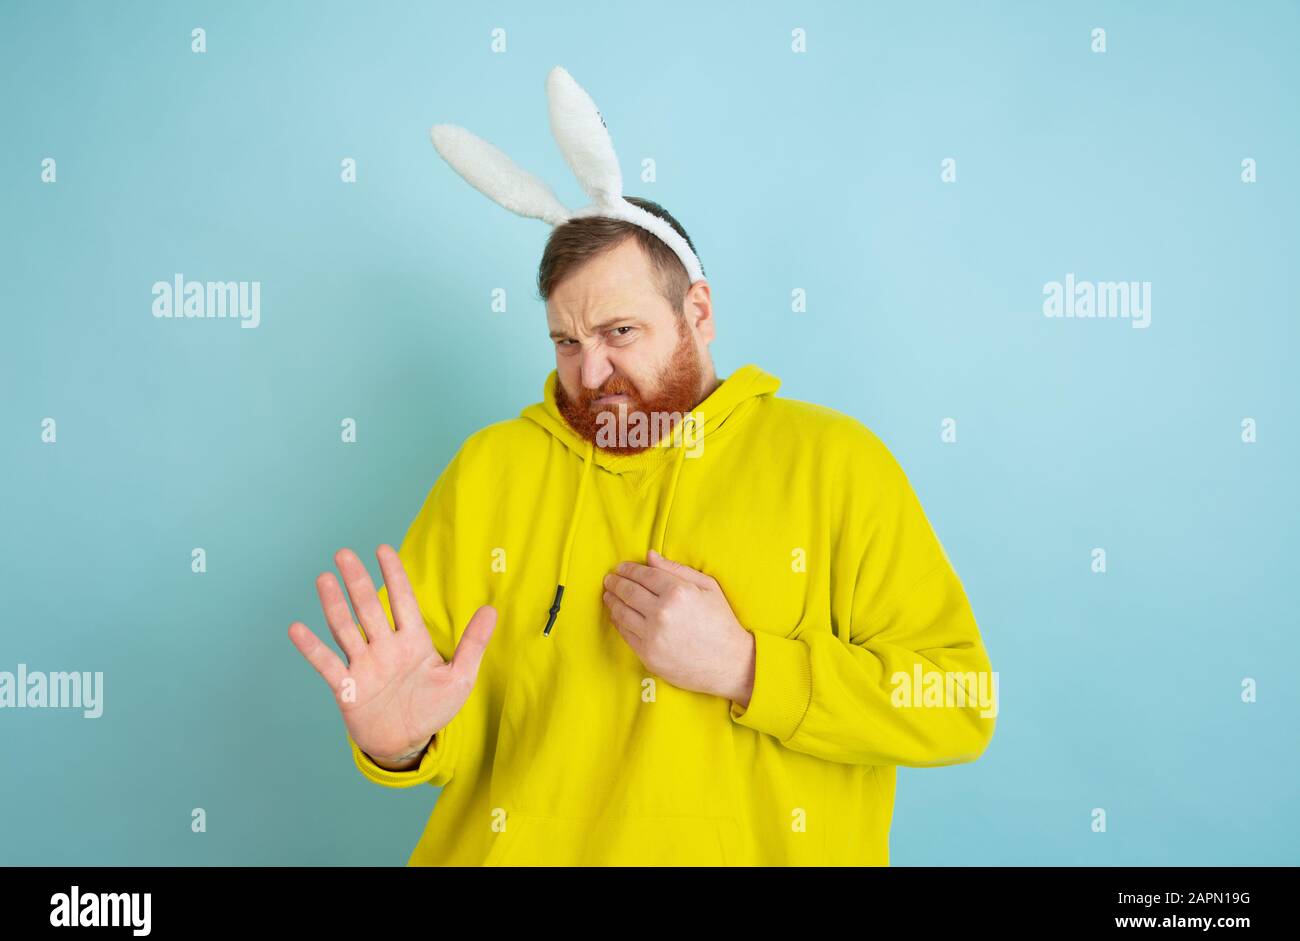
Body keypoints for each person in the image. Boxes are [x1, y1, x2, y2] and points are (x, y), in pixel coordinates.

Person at [287, 197, 997, 865]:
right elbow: (445, 715)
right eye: (565, 342)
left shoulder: (836, 464)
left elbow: (959, 703)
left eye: (618, 333)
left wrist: (750, 668)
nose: (591, 372)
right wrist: (400, 747)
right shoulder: (488, 470)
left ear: (699, 311)